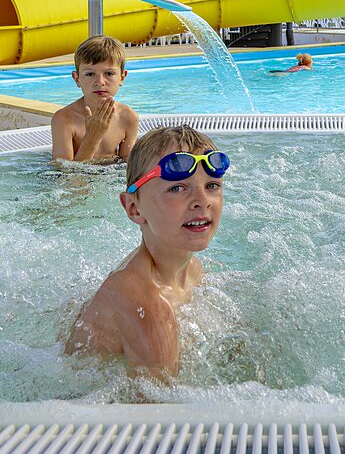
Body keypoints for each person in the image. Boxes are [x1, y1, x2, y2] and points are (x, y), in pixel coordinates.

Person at [64, 125, 229, 377]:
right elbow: (158, 411)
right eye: (177, 188)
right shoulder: (149, 311)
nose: (202, 200)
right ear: (134, 208)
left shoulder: (190, 267)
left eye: (212, 186)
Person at [51, 35, 139, 163]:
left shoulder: (128, 117)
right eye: (90, 74)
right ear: (77, 79)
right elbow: (65, 176)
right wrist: (93, 136)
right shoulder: (64, 119)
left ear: (122, 77)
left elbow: (128, 168)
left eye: (109, 73)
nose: (100, 82)